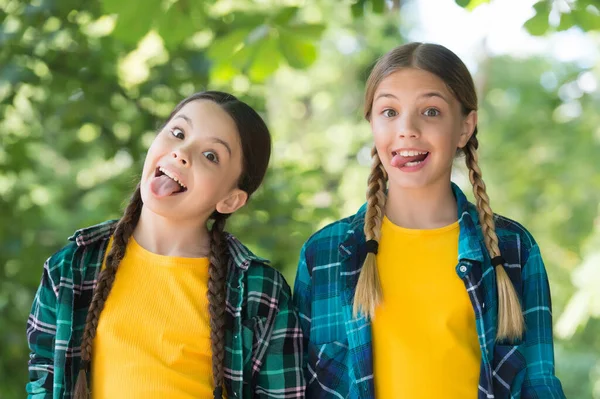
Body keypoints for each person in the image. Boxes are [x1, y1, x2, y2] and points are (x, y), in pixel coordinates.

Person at [293, 42, 565, 398]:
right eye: (389, 112)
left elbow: (538, 384)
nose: (407, 129)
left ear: (465, 128)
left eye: (431, 112)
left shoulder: (513, 249)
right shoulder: (324, 253)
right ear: (372, 124)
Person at [27, 91, 305, 399]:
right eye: (178, 133)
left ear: (230, 199)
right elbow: (42, 383)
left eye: (211, 155)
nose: (182, 152)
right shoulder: (72, 268)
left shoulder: (259, 291)